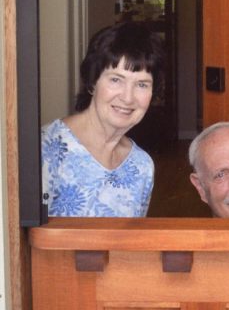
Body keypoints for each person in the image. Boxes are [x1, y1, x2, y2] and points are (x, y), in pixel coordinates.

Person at [41, 22, 165, 217]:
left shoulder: (142, 166)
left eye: (141, 84)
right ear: (92, 82)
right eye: (116, 80)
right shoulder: (47, 148)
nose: (127, 97)